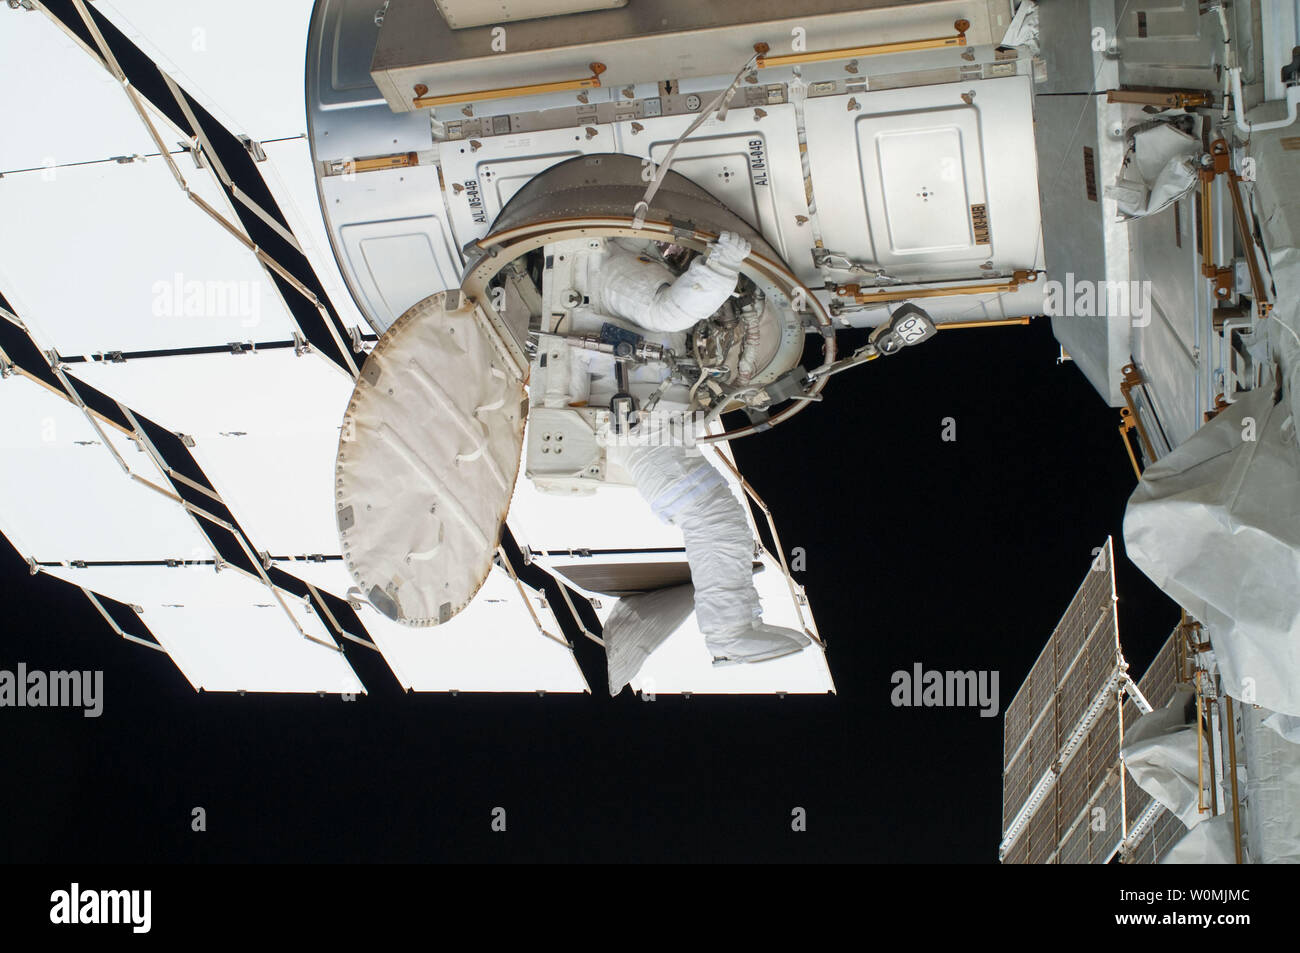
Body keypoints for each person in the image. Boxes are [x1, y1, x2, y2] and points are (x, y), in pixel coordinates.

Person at [571, 231, 811, 665]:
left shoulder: (617, 268)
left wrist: (722, 264)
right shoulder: (611, 268)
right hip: (653, 442)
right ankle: (732, 633)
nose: (671, 250)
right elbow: (670, 310)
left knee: (718, 525)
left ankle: (731, 632)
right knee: (719, 524)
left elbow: (669, 311)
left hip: (655, 442)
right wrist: (720, 263)